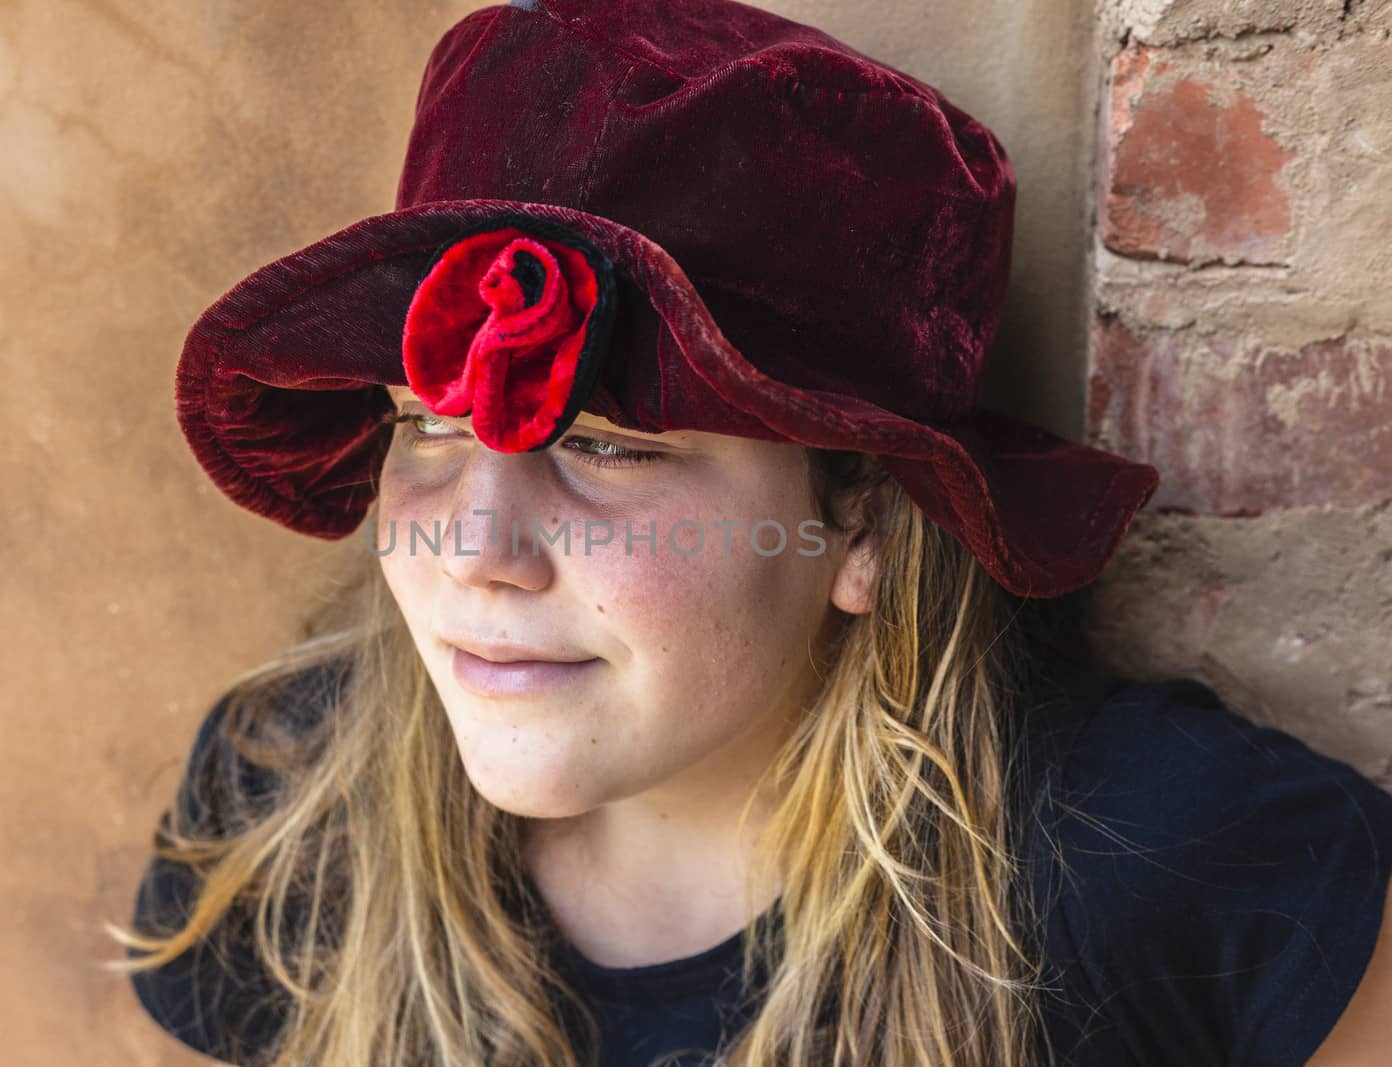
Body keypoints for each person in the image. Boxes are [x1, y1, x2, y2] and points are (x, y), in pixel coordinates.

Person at [103, 1, 1392, 1064]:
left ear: (866, 524)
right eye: (430, 425)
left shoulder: (1184, 874)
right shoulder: (289, 816)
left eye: (610, 448)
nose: (474, 548)